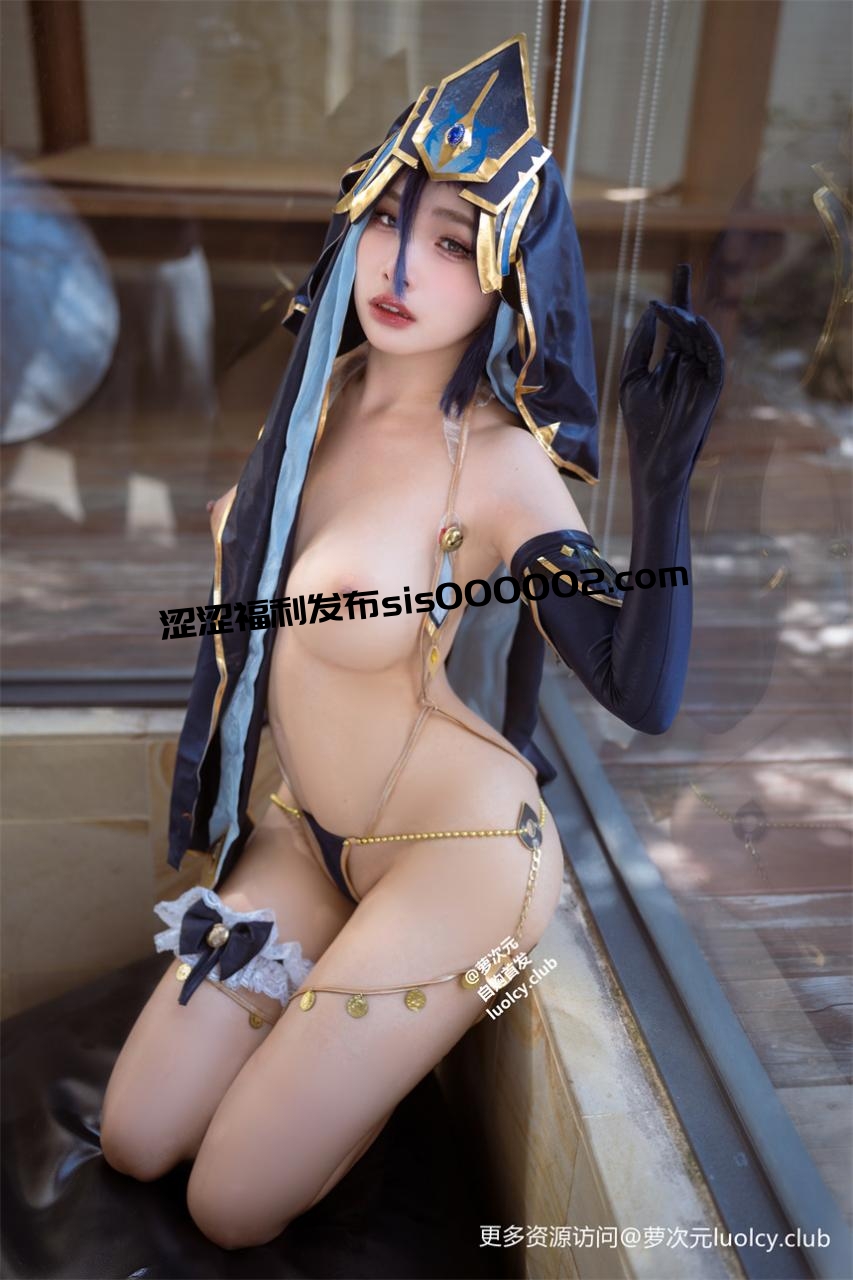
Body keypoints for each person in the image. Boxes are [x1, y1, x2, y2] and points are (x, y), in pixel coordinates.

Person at [99, 34, 724, 1249]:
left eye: (449, 240)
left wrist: (664, 486)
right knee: (134, 1134)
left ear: (507, 274)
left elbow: (637, 689)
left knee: (230, 1202)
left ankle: (354, 1057)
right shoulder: (319, 399)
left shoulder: (496, 463)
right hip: (309, 832)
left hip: (463, 856)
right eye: (386, 219)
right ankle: (328, 1021)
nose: (398, 265)